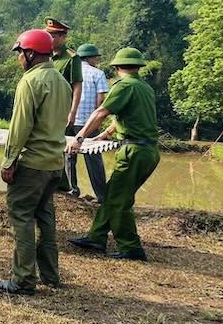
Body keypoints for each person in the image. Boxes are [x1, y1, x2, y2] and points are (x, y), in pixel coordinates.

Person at [0, 29, 71, 295]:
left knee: (22, 217)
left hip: (32, 163)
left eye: (20, 54)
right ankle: (50, 275)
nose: (18, 60)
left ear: (30, 54)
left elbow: (20, 126)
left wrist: (9, 160)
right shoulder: (61, 81)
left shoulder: (31, 81)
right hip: (54, 164)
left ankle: (23, 279)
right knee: (45, 217)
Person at [67, 48, 159, 262]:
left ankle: (131, 247)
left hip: (134, 151)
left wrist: (79, 138)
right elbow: (125, 117)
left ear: (117, 68)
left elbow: (101, 112)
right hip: (148, 151)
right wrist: (104, 135)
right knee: (112, 195)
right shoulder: (144, 88)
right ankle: (96, 237)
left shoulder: (124, 86)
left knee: (119, 201)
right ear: (138, 66)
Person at [44, 18, 83, 193]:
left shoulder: (72, 58)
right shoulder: (45, 56)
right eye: (47, 35)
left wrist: (72, 112)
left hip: (62, 110)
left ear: (63, 37)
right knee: (47, 145)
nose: (49, 38)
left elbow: (77, 86)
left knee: (62, 147)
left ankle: (65, 186)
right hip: (46, 109)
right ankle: (53, 183)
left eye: (53, 35)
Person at [68, 43, 109, 201]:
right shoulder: (97, 73)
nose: (97, 61)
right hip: (88, 123)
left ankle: (72, 191)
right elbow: (101, 99)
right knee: (94, 159)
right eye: (96, 58)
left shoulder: (71, 73)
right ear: (91, 58)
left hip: (70, 121)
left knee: (69, 156)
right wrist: (98, 119)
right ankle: (101, 195)